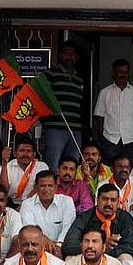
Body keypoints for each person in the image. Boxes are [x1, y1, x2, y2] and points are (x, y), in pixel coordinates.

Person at [63, 183, 133, 261]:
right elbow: (69, 245)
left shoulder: (125, 218)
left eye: (113, 200)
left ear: (118, 203)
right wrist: (99, 244)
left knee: (126, 258)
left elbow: (132, 246)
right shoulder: (84, 217)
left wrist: (104, 250)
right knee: (70, 258)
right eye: (105, 199)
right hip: (88, 257)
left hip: (113, 258)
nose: (109, 204)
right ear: (97, 200)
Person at [95, 58, 133, 164]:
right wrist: (102, 138)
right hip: (110, 140)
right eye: (120, 72)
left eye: (125, 72)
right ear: (113, 73)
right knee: (110, 171)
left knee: (131, 171)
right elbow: (100, 118)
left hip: (132, 140)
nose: (123, 75)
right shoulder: (105, 93)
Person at [42, 41, 85, 171]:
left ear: (77, 57)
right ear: (60, 55)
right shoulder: (50, 74)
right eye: (66, 53)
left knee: (73, 165)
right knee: (53, 165)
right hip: (55, 128)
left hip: (75, 128)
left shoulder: (79, 78)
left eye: (72, 54)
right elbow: (41, 97)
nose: (69, 56)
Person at [20, 170, 76, 251]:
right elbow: (29, 228)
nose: (46, 189)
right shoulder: (27, 204)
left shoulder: (67, 201)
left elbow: (68, 227)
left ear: (56, 187)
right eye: (43, 186)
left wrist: (58, 246)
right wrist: (43, 238)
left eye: (50, 186)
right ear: (35, 187)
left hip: (62, 248)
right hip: (36, 248)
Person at [0, 136, 49, 208]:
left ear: (34, 154)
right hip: (11, 204)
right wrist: (4, 164)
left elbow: (38, 189)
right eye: (22, 150)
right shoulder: (8, 166)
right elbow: (4, 190)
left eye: (29, 151)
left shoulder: (41, 166)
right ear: (15, 153)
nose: (25, 154)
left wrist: (23, 207)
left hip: (33, 203)